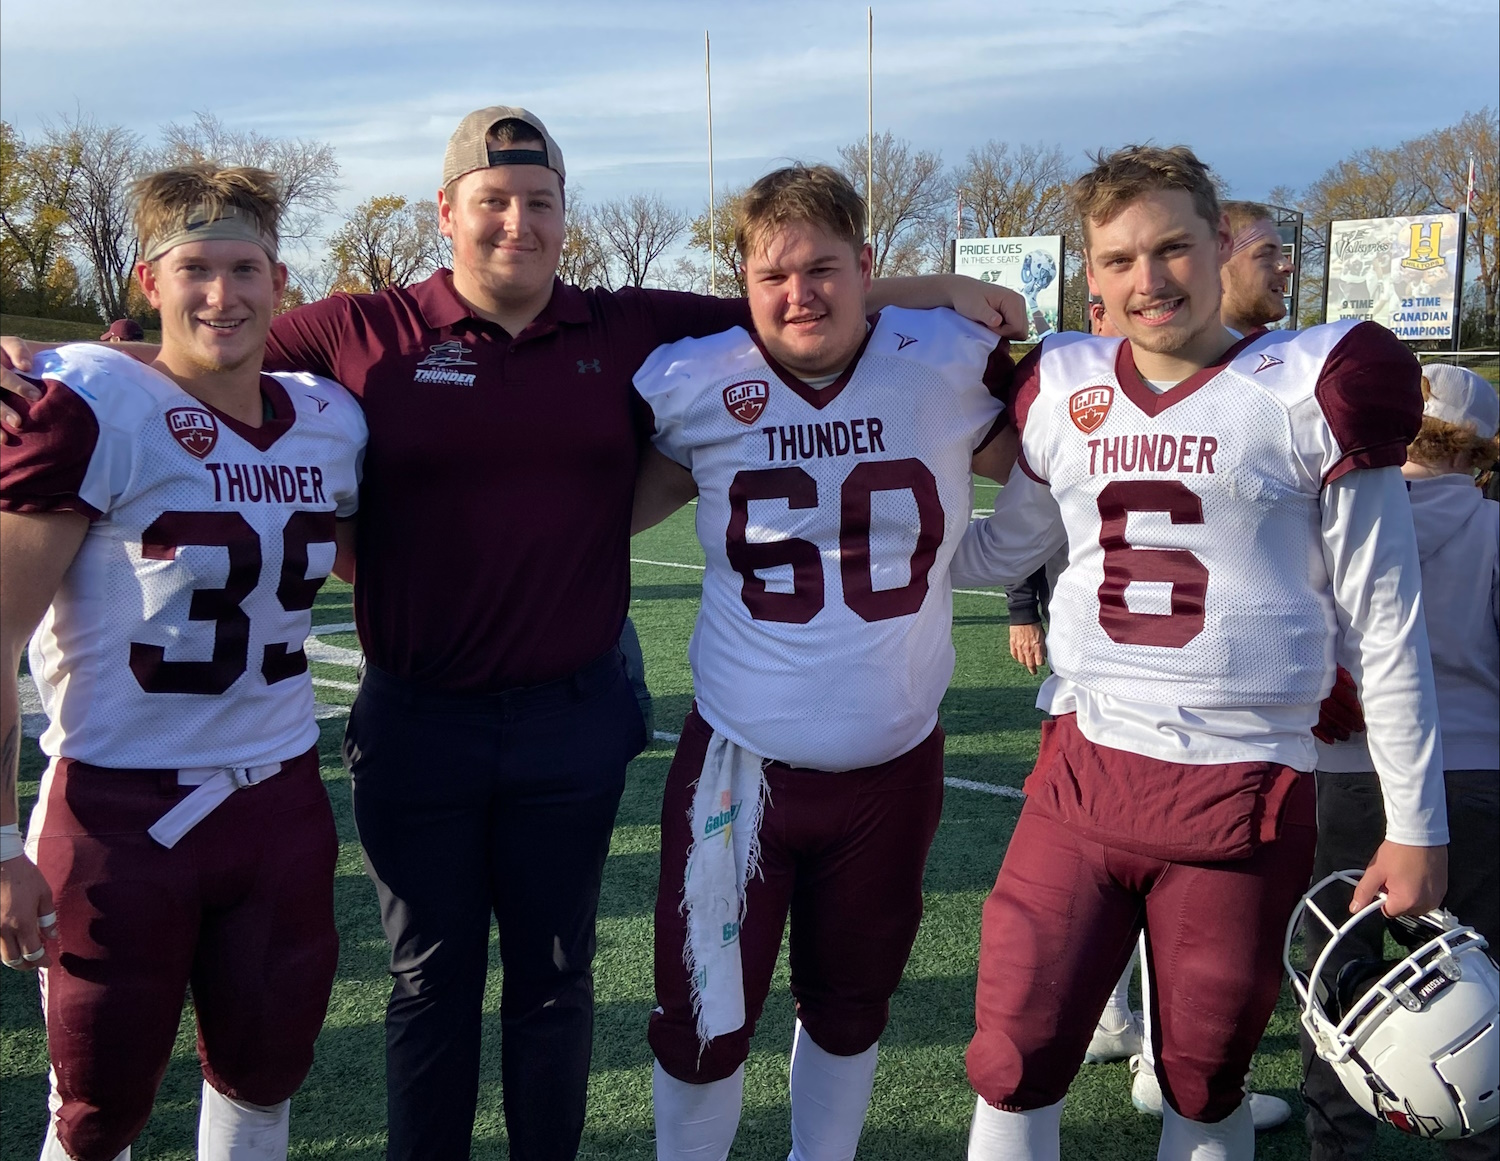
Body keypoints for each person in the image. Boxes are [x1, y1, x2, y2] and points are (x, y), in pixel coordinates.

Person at [0, 106, 1024, 1161]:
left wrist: (933, 289)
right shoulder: (361, 329)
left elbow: (785, 301)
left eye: (539, 203)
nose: (517, 224)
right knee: (427, 981)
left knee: (555, 976)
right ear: (448, 212)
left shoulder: (622, 327)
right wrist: (52, 359)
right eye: (493, 201)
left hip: (570, 713)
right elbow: (186, 344)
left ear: (565, 216)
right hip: (418, 715)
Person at [949, 144, 1449, 1161]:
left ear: (1218, 244)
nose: (1149, 280)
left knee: (1204, 1075)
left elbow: (1385, 619)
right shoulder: (1065, 385)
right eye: (1120, 259)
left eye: (1172, 247)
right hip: (1082, 769)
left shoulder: (1310, 384)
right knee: (1013, 1052)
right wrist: (865, 544)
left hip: (1243, 781)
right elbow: (1009, 548)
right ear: (1090, 273)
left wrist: (1416, 825)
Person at [627, 162, 1019, 1161]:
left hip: (894, 769)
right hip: (741, 767)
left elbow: (1061, 461)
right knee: (705, 1020)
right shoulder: (699, 381)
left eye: (824, 269)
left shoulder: (938, 361)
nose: (800, 293)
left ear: (866, 266)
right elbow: (598, 512)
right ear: (743, 287)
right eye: (774, 275)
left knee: (853, 1005)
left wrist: (987, 558)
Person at [0, 163, 366, 1161]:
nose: (222, 293)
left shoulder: (329, 422)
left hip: (279, 803)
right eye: (194, 268)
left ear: (279, 280)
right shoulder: (87, 404)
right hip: (119, 816)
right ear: (148, 284)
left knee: (264, 1080)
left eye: (243, 267)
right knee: (95, 1114)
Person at [1304, 362, 1499, 1161]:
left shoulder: (1333, 518)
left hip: (1350, 770)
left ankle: (1334, 1140)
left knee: (1339, 974)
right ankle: (1476, 1138)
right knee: (1481, 975)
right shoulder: (1491, 527)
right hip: (1474, 767)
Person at [1218, 202, 1291, 336]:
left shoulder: (1291, 353)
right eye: (1266, 254)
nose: (1288, 266)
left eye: (1282, 255)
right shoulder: (1175, 353)